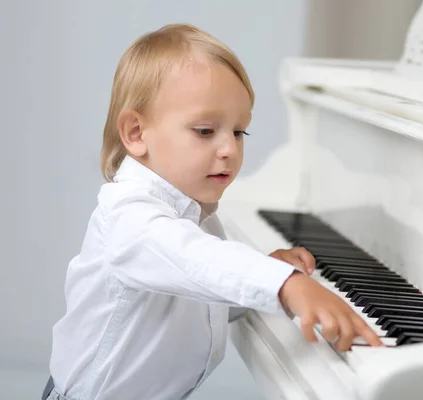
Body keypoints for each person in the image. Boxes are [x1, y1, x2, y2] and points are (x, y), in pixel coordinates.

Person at [42, 23, 382, 400]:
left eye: (239, 132)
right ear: (136, 133)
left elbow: (202, 290)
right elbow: (194, 259)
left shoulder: (193, 211)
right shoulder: (130, 218)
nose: (229, 150)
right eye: (205, 131)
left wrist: (266, 267)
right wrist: (282, 282)